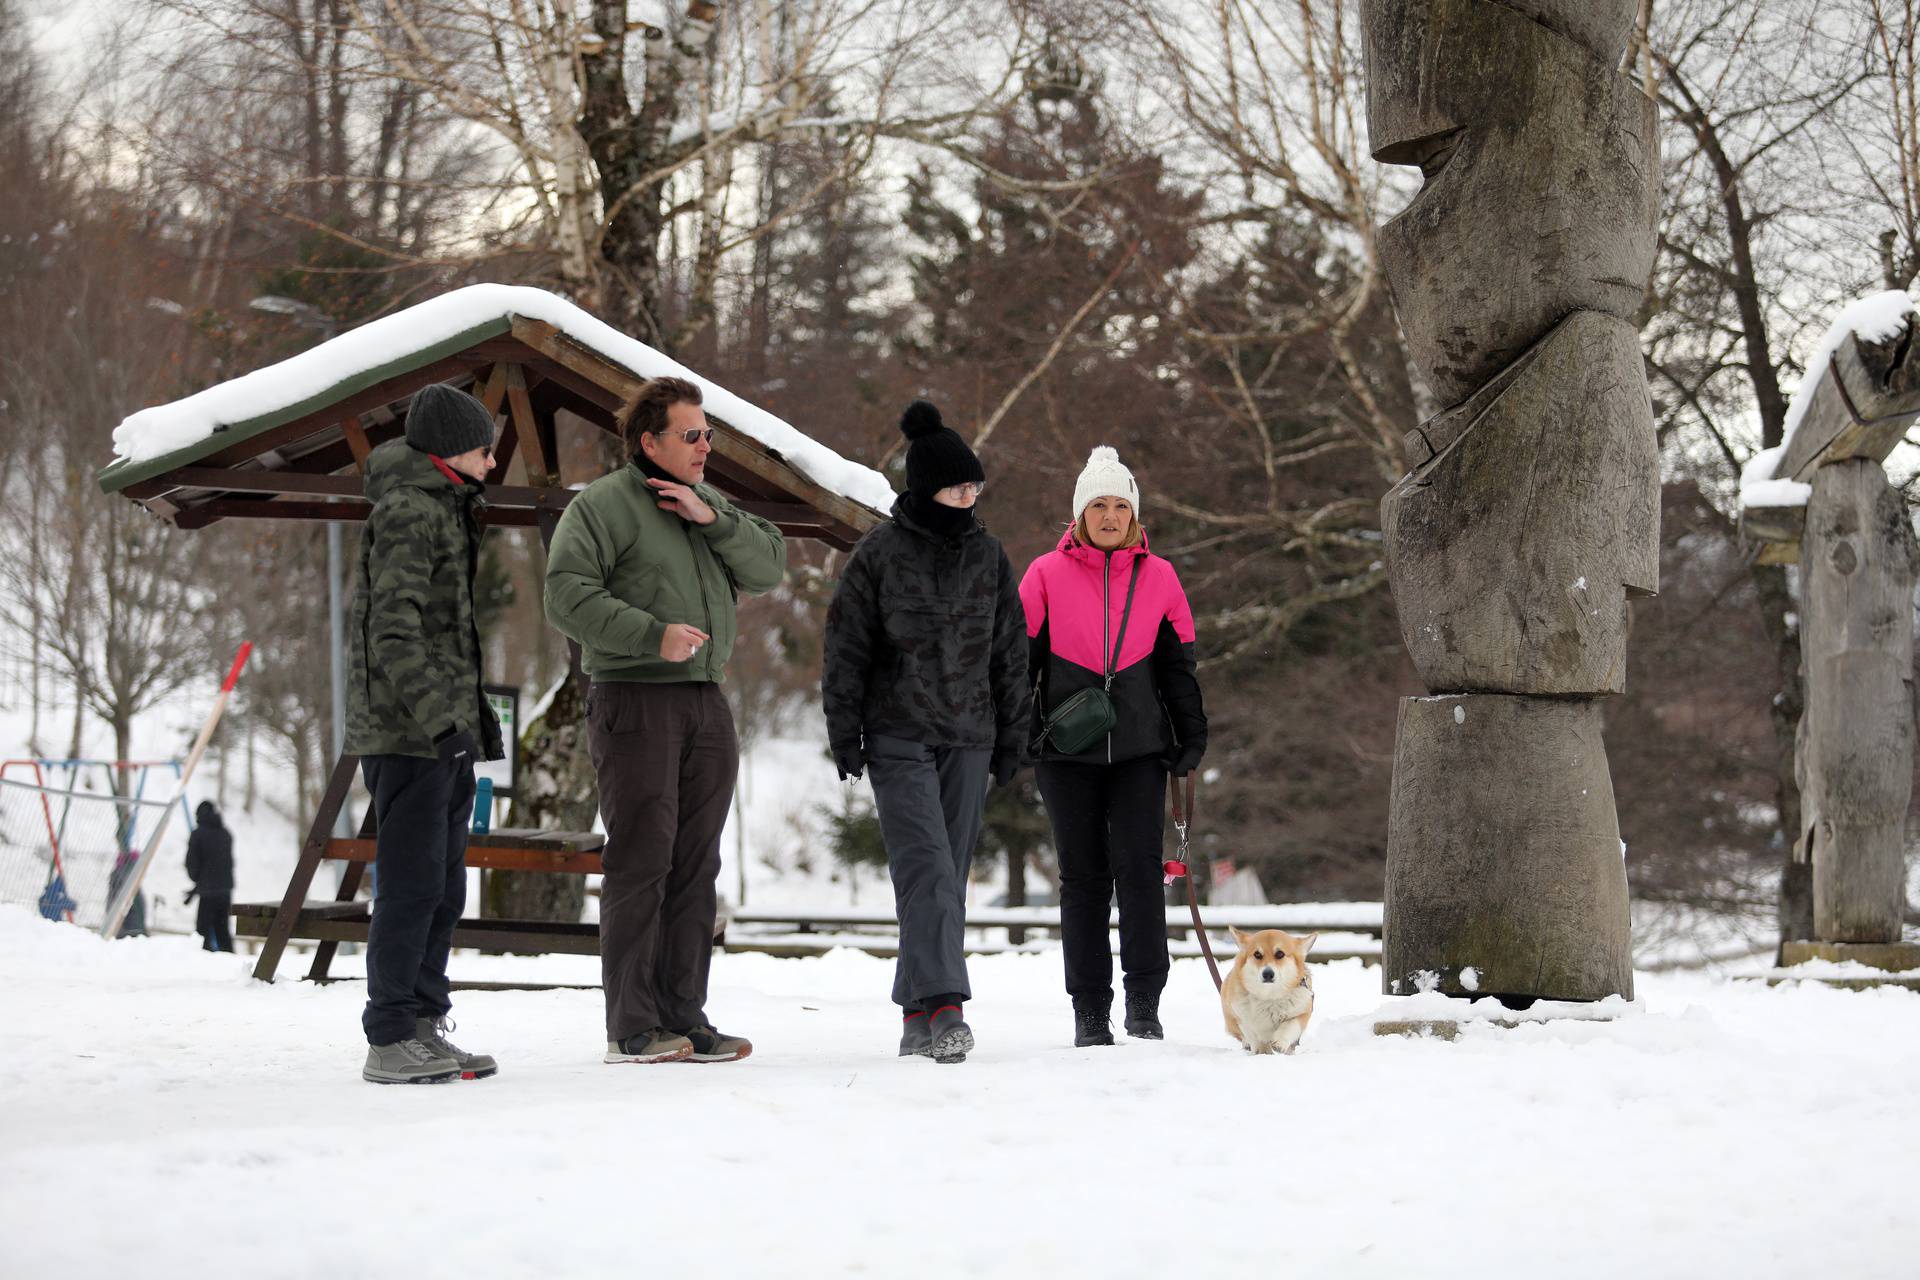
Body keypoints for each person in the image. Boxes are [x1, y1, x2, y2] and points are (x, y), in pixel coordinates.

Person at [544, 376, 785, 1066]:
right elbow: (565, 596)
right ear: (649, 442)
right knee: (642, 860)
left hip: (706, 700)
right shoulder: (602, 507)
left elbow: (769, 567)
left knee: (695, 865)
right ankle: (634, 1025)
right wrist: (652, 635)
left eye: (708, 434)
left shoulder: (709, 505)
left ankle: (685, 1015)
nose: (706, 446)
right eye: (692, 435)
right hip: (634, 696)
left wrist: (714, 518)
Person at [822, 400, 1030, 1064]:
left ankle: (915, 1011)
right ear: (924, 488)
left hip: (970, 734)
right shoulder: (878, 554)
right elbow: (845, 648)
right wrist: (843, 730)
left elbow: (1011, 652)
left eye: (974, 486)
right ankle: (946, 1006)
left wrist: (1014, 734)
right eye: (956, 486)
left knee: (944, 874)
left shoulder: (989, 556)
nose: (968, 495)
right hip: (898, 732)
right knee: (928, 868)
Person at [1020, 446, 1206, 1046]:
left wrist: (1190, 732)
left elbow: (1179, 667)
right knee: (1082, 879)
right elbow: (1016, 666)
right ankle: (1090, 1009)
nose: (1108, 515)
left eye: (1119, 505)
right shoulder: (1043, 574)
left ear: (1133, 515)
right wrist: (1018, 730)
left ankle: (1144, 1002)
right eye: (1097, 505)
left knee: (1140, 872)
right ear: (1079, 514)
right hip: (1066, 753)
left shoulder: (1162, 577)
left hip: (1139, 752)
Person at [346, 382, 505, 1085]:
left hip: (440, 730)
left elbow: (448, 634)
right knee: (411, 888)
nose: (492, 465)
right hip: (406, 733)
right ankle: (388, 1035)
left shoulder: (447, 508)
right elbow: (395, 629)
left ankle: (422, 1023)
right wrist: (442, 719)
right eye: (482, 450)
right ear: (446, 453)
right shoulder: (410, 511)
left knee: (443, 888)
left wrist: (473, 714)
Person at [183, 799, 234, 952]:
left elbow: (192, 863)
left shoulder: (198, 835)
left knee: (202, 932)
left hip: (207, 890)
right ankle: (230, 962)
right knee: (223, 930)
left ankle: (204, 963)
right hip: (225, 889)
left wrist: (197, 878)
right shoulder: (225, 834)